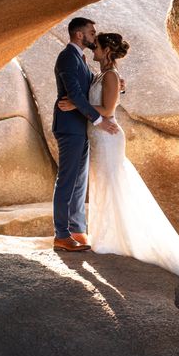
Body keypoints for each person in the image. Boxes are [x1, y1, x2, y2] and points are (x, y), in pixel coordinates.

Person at [58, 32, 179, 314]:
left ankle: (116, 242)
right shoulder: (103, 75)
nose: (92, 49)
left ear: (107, 49)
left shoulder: (111, 76)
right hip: (98, 139)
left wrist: (77, 105)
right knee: (103, 187)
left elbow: (108, 110)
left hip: (108, 137)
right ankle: (108, 239)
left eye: (96, 46)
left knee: (114, 186)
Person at [51, 17, 119, 252]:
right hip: (69, 126)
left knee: (79, 182)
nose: (94, 36)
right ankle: (61, 235)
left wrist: (119, 85)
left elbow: (94, 87)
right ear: (79, 35)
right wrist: (100, 121)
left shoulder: (80, 58)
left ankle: (77, 229)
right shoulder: (67, 57)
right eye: (91, 32)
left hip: (81, 127)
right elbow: (76, 95)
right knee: (67, 181)